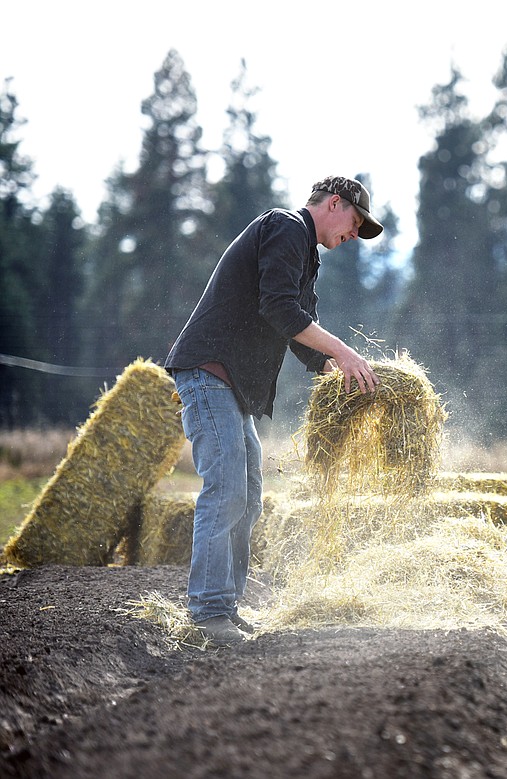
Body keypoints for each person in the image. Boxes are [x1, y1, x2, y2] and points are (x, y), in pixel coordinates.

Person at [165, 176, 384, 647]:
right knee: (225, 488)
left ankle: (225, 607)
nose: (353, 236)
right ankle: (207, 614)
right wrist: (346, 353)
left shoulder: (305, 255)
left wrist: (332, 368)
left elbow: (293, 327)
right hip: (209, 373)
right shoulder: (286, 226)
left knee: (248, 494)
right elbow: (280, 307)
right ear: (333, 203)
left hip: (231, 385)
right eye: (355, 222)